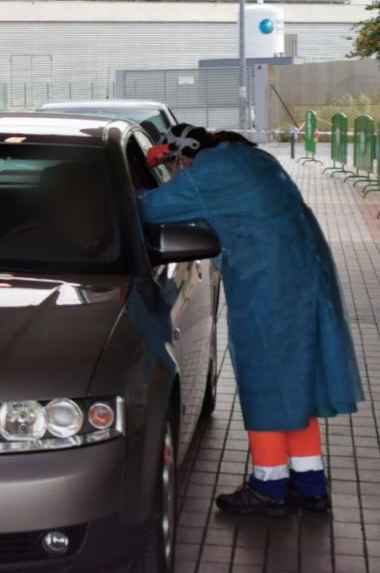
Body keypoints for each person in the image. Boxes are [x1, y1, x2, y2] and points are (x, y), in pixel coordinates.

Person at [140, 124, 363, 517]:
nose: (179, 173)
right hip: (303, 282)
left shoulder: (210, 173)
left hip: (270, 292)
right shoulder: (251, 158)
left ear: (185, 155)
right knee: (295, 385)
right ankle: (310, 485)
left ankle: (269, 486)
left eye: (177, 165)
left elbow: (146, 210)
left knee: (265, 384)